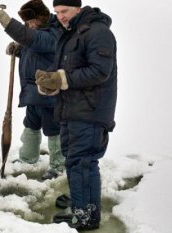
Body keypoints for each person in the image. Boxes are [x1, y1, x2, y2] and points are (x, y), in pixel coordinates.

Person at [33, 0, 118, 230]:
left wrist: (61, 79)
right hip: (71, 109)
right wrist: (49, 82)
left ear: (78, 9)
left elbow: (100, 71)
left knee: (83, 163)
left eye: (65, 11)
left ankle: (86, 216)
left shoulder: (98, 32)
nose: (60, 16)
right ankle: (82, 203)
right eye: (57, 11)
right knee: (74, 161)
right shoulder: (70, 33)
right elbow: (67, 70)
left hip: (89, 111)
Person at [0, 0, 65, 180]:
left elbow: (37, 42)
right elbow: (33, 47)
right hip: (32, 92)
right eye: (27, 23)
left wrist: (8, 23)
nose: (30, 26)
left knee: (53, 129)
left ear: (43, 17)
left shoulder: (55, 33)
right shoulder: (38, 33)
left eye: (33, 22)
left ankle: (58, 165)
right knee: (31, 125)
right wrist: (20, 50)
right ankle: (28, 158)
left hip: (48, 93)